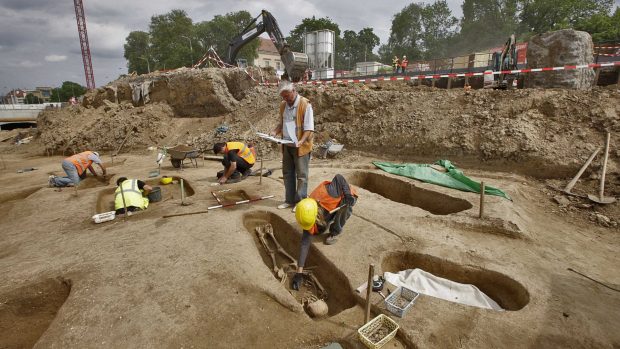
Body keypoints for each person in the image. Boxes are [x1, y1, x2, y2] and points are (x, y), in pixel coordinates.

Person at [291, 174, 358, 290]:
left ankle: (334, 231)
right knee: (316, 231)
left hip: (346, 198)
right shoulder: (307, 209)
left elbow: (339, 177)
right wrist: (299, 272)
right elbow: (305, 243)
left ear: (317, 216)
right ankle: (325, 223)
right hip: (326, 212)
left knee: (345, 208)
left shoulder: (330, 192)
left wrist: (347, 194)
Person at [270, 81, 314, 210]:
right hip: (287, 145)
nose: (286, 99)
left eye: (287, 96)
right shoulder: (283, 105)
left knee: (301, 175)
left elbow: (309, 128)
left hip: (301, 146)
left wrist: (301, 141)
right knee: (288, 173)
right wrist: (274, 132)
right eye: (283, 97)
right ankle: (289, 200)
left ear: (294, 91)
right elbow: (282, 123)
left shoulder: (305, 104)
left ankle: (300, 202)